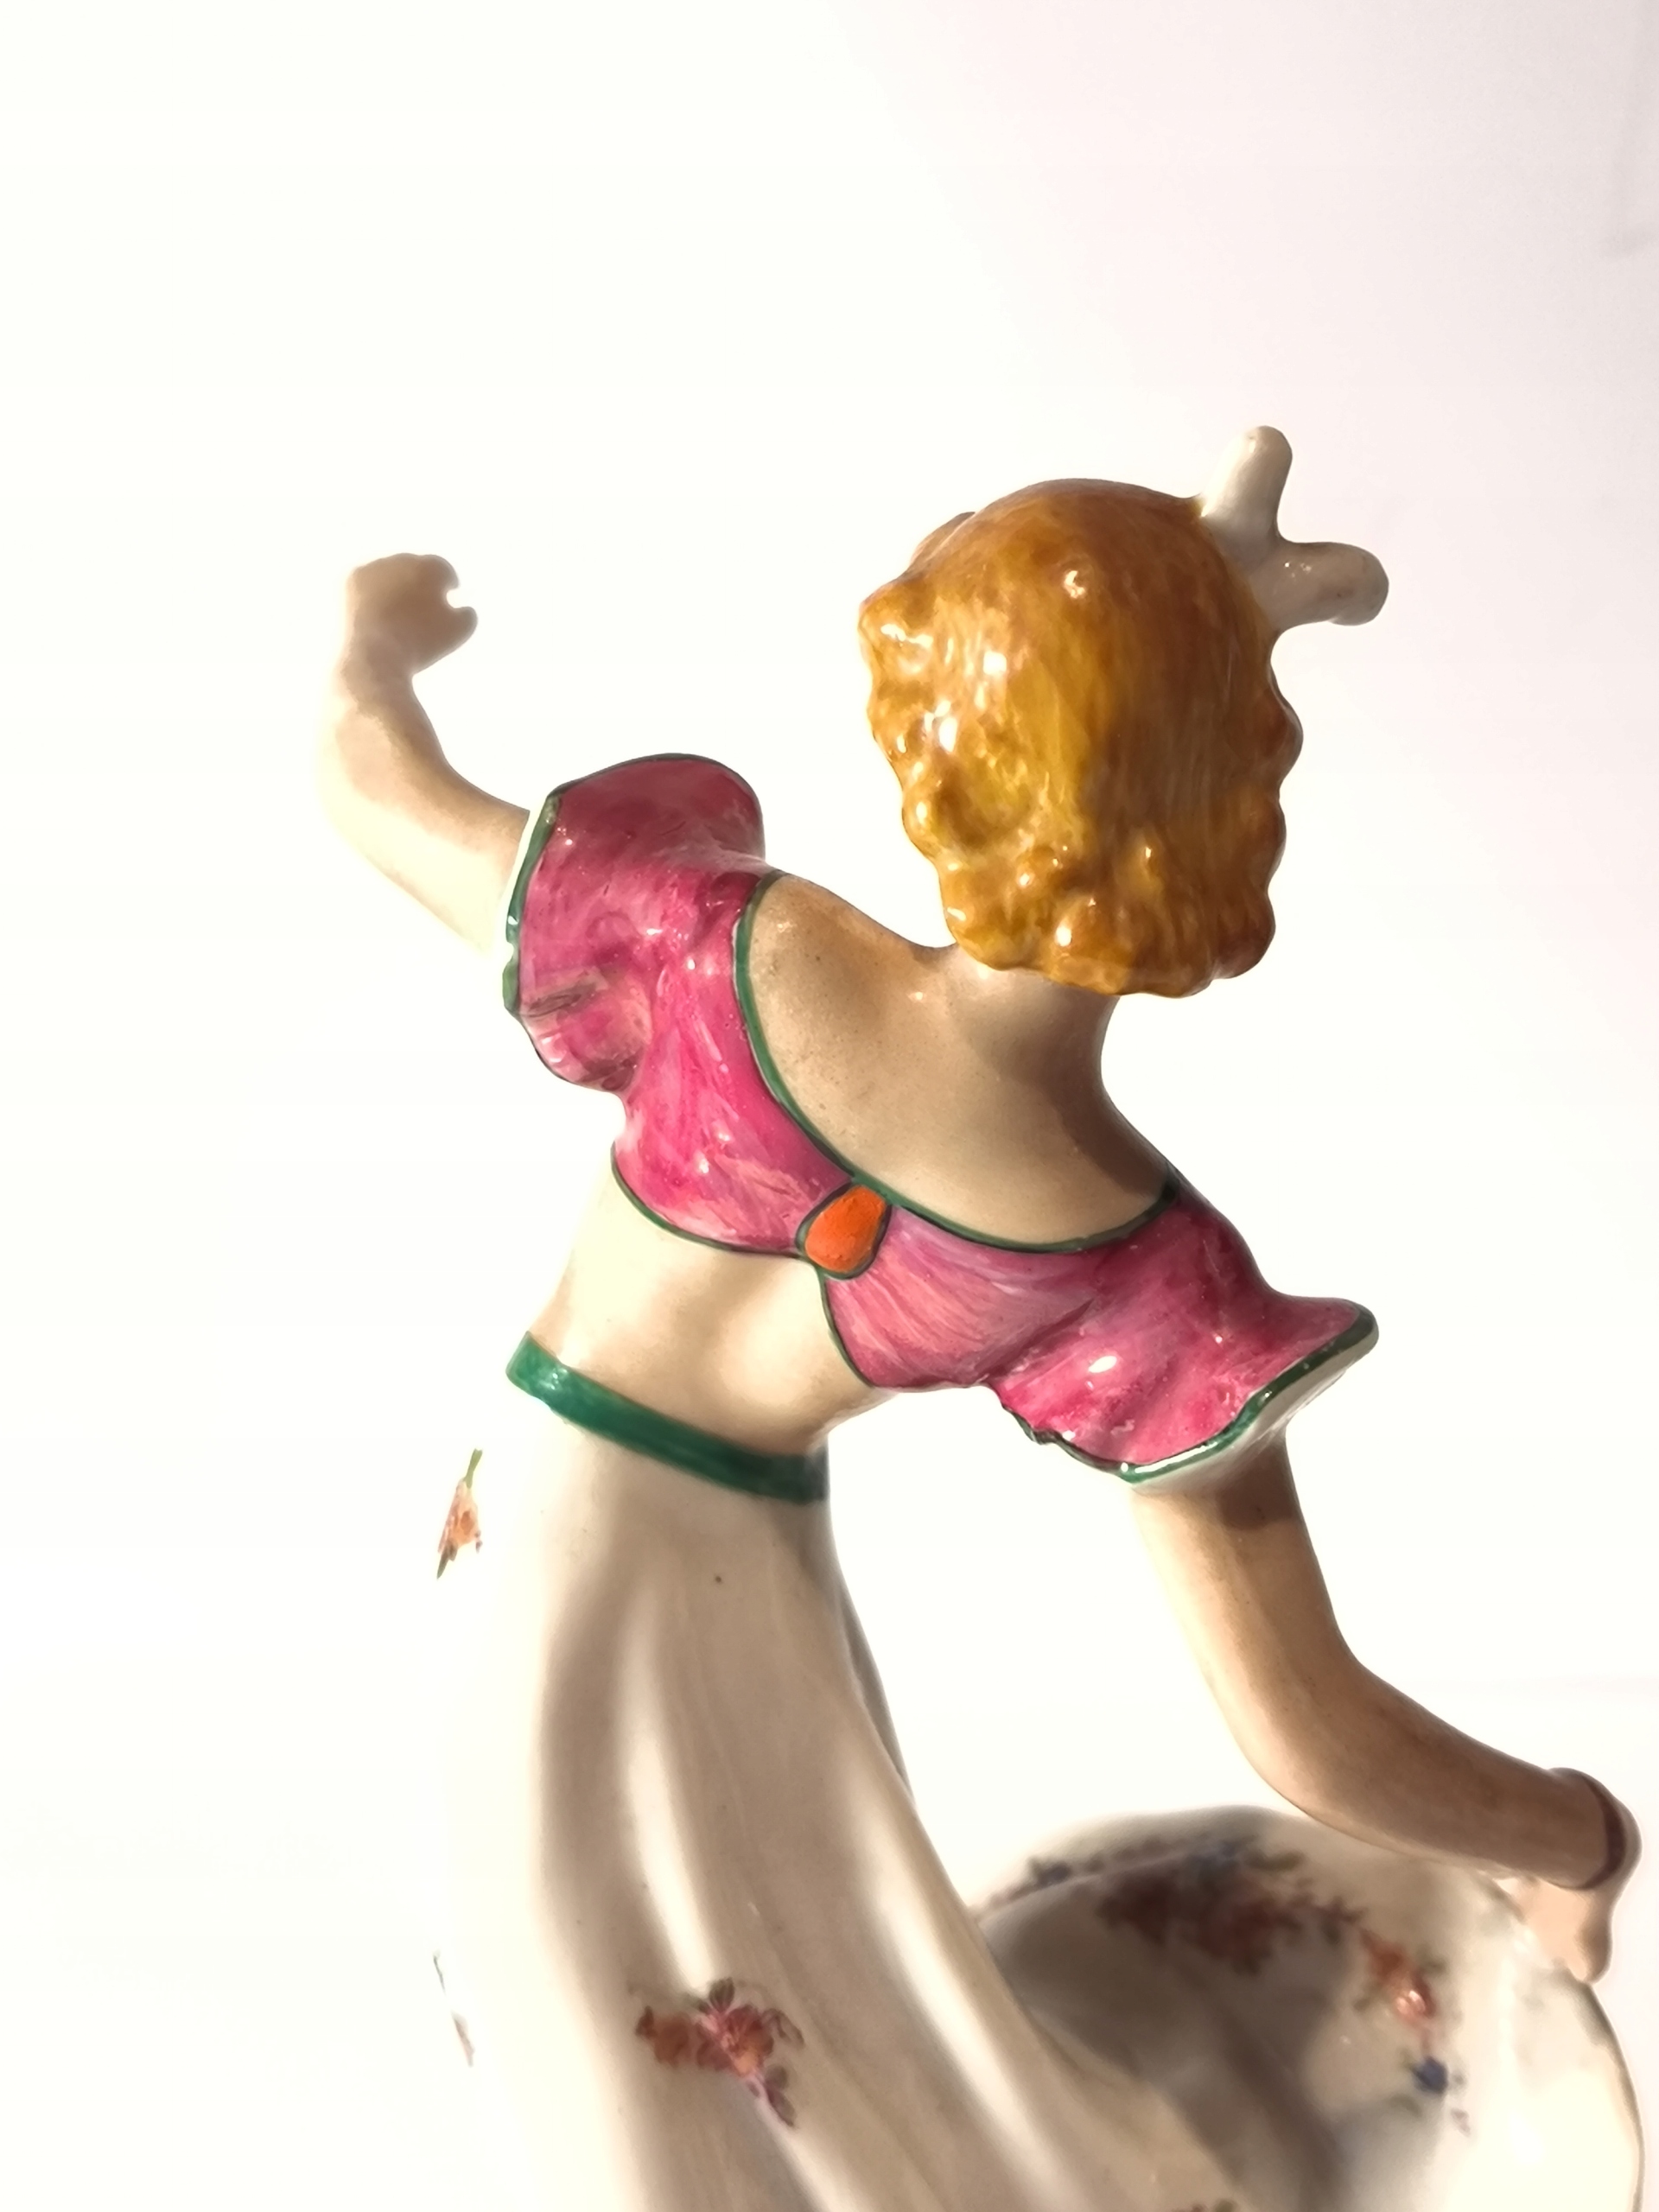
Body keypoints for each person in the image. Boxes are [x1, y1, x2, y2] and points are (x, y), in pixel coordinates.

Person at [317, 431, 1639, 2212]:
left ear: (936, 735)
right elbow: (1305, 1730)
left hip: (543, 1563)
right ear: (1228, 818)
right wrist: (1577, 1834)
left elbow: (370, 780)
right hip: (753, 1604)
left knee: (657, 2077)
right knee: (822, 2054)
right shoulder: (1132, 1258)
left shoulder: (720, 947)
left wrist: (372, 639)